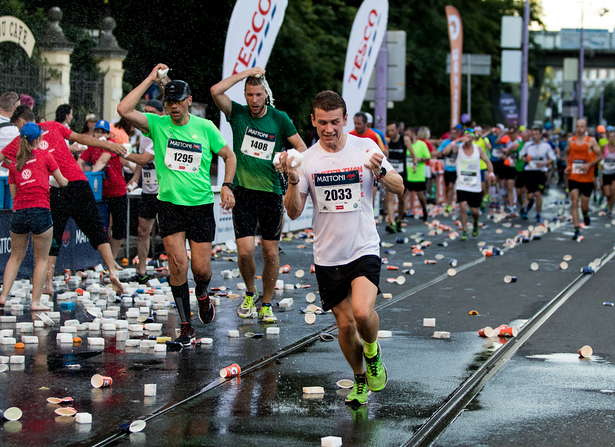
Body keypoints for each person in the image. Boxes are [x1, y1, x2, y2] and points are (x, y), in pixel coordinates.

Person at [281, 90, 404, 406]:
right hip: (328, 255)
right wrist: (294, 180)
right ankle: (360, 378)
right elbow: (293, 212)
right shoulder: (306, 160)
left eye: (335, 122)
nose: (329, 129)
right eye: (322, 122)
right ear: (313, 121)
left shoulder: (365, 148)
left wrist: (381, 170)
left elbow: (399, 187)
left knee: (363, 313)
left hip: (363, 246)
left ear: (346, 119)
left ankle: (373, 352)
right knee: (346, 324)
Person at [118, 63, 237, 346]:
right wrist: (150, 78)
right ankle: (186, 326)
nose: (173, 107)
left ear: (189, 101)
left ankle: (203, 294)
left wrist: (227, 185)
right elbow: (124, 109)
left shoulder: (205, 127)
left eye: (178, 102)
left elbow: (229, 157)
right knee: (177, 264)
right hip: (169, 204)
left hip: (200, 206)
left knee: (201, 270)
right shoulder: (158, 125)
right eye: (169, 102)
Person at [210, 66, 307, 324]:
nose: (253, 100)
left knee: (271, 254)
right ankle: (250, 294)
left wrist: (288, 159)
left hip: (271, 193)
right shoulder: (238, 114)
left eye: (258, 94)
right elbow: (215, 91)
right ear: (245, 94)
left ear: (266, 94)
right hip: (243, 192)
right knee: (244, 253)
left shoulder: (279, 118)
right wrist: (245, 74)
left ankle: (266, 303)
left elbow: (301, 147)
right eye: (249, 94)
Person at [1, 105, 127, 296]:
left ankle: (48, 283)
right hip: (78, 182)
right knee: (96, 229)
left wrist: (16, 167)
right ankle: (111, 270)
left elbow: (3, 158)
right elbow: (80, 138)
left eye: (18, 127)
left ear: (20, 122)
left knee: (53, 237)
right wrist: (107, 145)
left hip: (54, 190)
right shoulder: (53, 126)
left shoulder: (22, 140)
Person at [0, 122, 69, 309]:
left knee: (15, 257)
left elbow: (14, 195)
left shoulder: (14, 164)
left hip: (19, 212)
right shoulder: (46, 156)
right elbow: (63, 182)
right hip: (40, 210)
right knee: (41, 259)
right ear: (38, 139)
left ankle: (3, 296)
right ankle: (35, 302)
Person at [78, 120, 131, 264]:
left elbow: (102, 160)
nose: (99, 134)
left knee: (119, 228)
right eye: (97, 131)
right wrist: (78, 175)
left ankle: (112, 260)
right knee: (103, 228)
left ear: (108, 134)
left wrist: (91, 175)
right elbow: (80, 160)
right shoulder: (92, 145)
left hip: (118, 190)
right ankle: (104, 261)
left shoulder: (111, 144)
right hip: (102, 193)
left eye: (102, 132)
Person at [124, 99, 164, 283]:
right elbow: (143, 163)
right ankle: (141, 272)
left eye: (151, 112)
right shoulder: (143, 134)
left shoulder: (161, 132)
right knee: (142, 230)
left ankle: (174, 272)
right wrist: (134, 178)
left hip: (164, 191)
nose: (146, 116)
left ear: (160, 114)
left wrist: (120, 151)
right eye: (144, 112)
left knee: (169, 234)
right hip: (148, 189)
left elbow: (143, 158)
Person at [442, 130, 495, 240]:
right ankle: (465, 230)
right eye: (466, 136)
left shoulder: (478, 149)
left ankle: (475, 222)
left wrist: (491, 173)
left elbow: (487, 161)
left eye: (470, 137)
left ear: (473, 138)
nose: (467, 139)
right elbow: (445, 152)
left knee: (475, 211)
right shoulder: (458, 147)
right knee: (463, 207)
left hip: (474, 185)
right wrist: (456, 141)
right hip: (461, 184)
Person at [565, 119, 603, 240]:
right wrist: (567, 166)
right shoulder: (571, 141)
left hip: (587, 178)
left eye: (582, 126)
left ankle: (585, 214)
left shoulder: (591, 141)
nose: (579, 129)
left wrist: (589, 165)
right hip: (574, 176)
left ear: (585, 128)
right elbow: (566, 153)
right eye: (577, 126)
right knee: (574, 201)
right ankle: (576, 229)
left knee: (584, 206)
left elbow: (600, 155)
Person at [520, 127, 556, 223]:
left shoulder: (546, 146)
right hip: (529, 171)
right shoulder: (528, 145)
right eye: (533, 134)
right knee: (530, 195)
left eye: (537, 134)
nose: (535, 136)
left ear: (540, 135)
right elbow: (521, 155)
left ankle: (538, 213)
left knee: (539, 193)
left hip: (540, 172)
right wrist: (525, 159)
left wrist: (544, 163)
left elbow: (552, 158)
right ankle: (529, 204)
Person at [385, 121, 415, 232]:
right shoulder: (387, 141)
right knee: (390, 198)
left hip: (402, 174)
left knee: (402, 199)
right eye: (388, 131)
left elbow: (413, 155)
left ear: (398, 130)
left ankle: (399, 219)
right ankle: (392, 221)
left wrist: (415, 164)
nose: (390, 133)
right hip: (391, 173)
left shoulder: (405, 140)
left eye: (392, 130)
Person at [405, 127, 431, 221]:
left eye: (408, 134)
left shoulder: (422, 144)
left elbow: (428, 157)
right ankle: (403, 214)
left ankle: (424, 210)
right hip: (407, 174)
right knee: (404, 195)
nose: (406, 137)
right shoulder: (406, 145)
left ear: (413, 133)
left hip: (418, 175)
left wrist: (418, 159)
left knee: (420, 195)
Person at [435, 126, 461, 214]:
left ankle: (449, 204)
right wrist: (444, 153)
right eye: (451, 133)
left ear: (457, 134)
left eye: (454, 133)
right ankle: (448, 201)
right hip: (447, 168)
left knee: (451, 185)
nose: (452, 135)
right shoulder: (445, 142)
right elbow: (439, 153)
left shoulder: (460, 143)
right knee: (447, 187)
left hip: (455, 168)